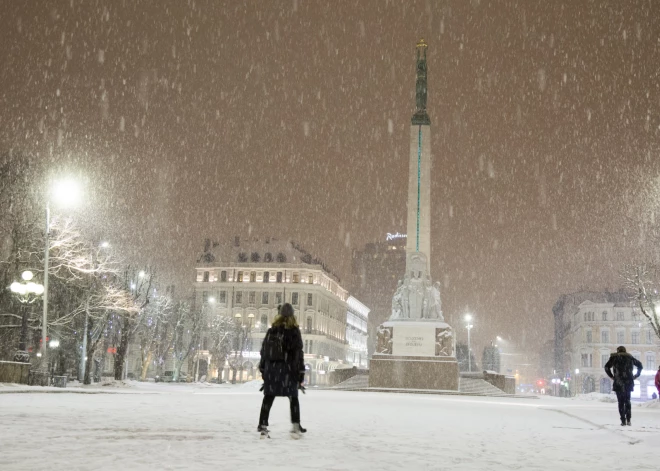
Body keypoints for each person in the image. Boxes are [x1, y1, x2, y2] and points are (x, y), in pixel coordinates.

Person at [257, 303, 306, 439]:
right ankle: (295, 427)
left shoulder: (272, 330)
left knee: (268, 398)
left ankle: (263, 426)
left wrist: (263, 370)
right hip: (288, 370)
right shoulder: (294, 332)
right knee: (293, 399)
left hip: (272, 370)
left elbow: (264, 352)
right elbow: (298, 354)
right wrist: (300, 373)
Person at [604, 346, 643, 426]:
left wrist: (612, 376)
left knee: (621, 402)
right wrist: (636, 375)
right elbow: (640, 365)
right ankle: (628, 419)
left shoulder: (614, 357)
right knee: (627, 401)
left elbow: (606, 367)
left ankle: (623, 420)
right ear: (625, 351)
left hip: (618, 382)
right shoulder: (630, 357)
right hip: (628, 382)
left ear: (618, 351)